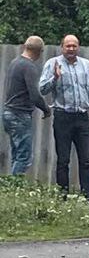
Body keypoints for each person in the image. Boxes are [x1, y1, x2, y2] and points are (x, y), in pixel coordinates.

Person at [40, 35, 89, 203]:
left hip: (82, 117)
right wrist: (55, 78)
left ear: (78, 47)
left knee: (86, 159)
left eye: (74, 46)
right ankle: (62, 197)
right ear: (62, 47)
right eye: (67, 46)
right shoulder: (52, 64)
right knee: (63, 159)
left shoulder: (86, 65)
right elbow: (42, 89)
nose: (71, 48)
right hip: (63, 117)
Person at [2, 36, 52, 176]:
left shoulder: (14, 63)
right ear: (39, 51)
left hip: (8, 112)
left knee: (17, 153)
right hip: (20, 114)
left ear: (25, 46)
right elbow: (34, 95)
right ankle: (14, 186)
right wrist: (46, 109)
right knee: (24, 157)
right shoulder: (29, 67)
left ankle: (12, 185)